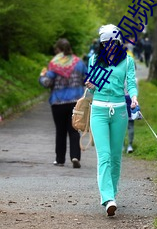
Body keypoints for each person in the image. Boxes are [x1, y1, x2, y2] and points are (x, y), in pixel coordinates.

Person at [85, 24, 138, 216]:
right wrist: (90, 85)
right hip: (98, 111)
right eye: (105, 43)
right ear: (101, 43)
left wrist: (134, 97)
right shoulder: (94, 60)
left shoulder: (127, 61)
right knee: (104, 156)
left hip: (120, 111)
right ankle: (107, 198)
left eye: (112, 42)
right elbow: (91, 89)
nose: (109, 46)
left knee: (116, 157)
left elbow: (131, 83)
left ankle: (112, 194)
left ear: (118, 42)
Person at [39, 38, 87, 168]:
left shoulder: (54, 64)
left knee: (60, 131)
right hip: (75, 102)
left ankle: (60, 160)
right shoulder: (79, 62)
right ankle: (75, 156)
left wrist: (42, 76)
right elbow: (87, 79)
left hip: (58, 102)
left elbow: (47, 83)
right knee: (74, 129)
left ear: (58, 50)